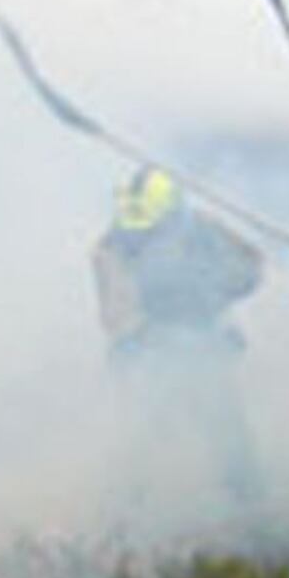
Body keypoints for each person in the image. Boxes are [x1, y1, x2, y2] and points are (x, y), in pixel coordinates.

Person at [93, 166, 265, 503]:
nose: (139, 237)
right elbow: (112, 302)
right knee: (143, 438)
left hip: (205, 342)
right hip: (153, 348)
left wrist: (212, 294)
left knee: (227, 434)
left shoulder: (202, 229)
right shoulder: (116, 240)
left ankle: (251, 506)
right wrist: (127, 338)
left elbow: (252, 268)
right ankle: (124, 512)